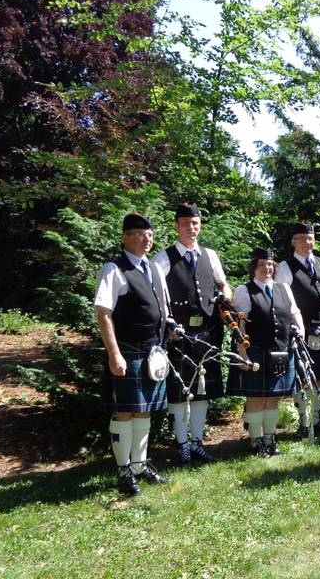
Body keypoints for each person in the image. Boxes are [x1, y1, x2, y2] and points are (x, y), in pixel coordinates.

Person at [95, 213, 179, 497]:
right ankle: (123, 471)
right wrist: (114, 354)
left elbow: (163, 308)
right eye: (140, 234)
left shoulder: (153, 269)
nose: (147, 239)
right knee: (125, 411)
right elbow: (103, 312)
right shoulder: (114, 269)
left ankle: (140, 465)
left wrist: (169, 327)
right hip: (128, 349)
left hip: (153, 351)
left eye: (150, 235)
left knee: (145, 410)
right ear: (125, 237)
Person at [152, 203, 232, 464]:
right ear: (177, 225)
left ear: (200, 225)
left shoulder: (210, 255)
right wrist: (167, 324)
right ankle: (182, 444)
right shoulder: (163, 259)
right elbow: (156, 295)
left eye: (195, 223)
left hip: (209, 332)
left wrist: (226, 299)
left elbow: (223, 284)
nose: (191, 228)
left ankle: (197, 442)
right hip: (179, 334)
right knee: (179, 391)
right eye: (186, 223)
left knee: (203, 390)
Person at [228, 247, 305, 456]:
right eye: (262, 265)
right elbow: (239, 325)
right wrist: (242, 355)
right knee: (255, 398)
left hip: (281, 350)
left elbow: (294, 312)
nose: (267, 268)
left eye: (270, 264)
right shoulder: (245, 290)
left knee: (273, 398)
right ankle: (255, 441)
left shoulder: (283, 288)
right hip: (255, 351)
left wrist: (301, 331)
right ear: (254, 268)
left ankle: (270, 440)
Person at [275, 222, 320, 438]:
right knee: (301, 376)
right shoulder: (286, 267)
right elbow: (280, 298)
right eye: (302, 239)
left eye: (310, 238)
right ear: (293, 242)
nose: (307, 242)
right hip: (300, 331)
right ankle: (303, 423)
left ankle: (317, 419)